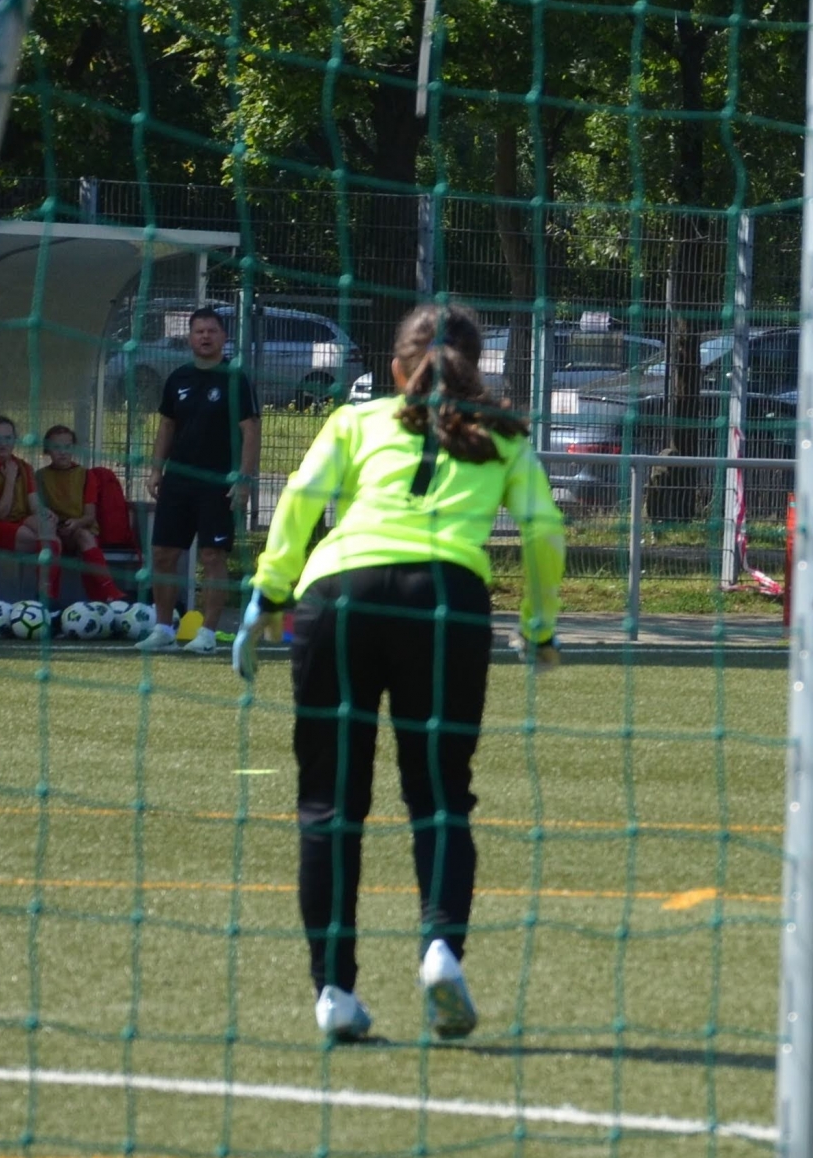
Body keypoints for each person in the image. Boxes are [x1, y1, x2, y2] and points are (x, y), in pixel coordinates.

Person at [233, 303, 565, 1042]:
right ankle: (441, 949)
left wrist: (269, 590)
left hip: (338, 597)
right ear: (476, 368)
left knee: (329, 803)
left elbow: (301, 495)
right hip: (445, 605)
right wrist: (539, 625)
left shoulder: (357, 420)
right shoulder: (504, 434)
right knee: (440, 796)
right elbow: (545, 528)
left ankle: (334, 992)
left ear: (394, 367)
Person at [139, 306, 260, 655]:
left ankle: (207, 634)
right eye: (199, 331)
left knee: (212, 555)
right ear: (190, 338)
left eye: (211, 331)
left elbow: (251, 430)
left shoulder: (236, 379)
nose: (205, 336)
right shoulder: (178, 378)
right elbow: (167, 425)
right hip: (178, 480)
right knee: (163, 554)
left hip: (218, 482)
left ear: (223, 337)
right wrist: (157, 469)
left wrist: (244, 479)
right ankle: (163, 628)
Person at [35, 425, 121, 604]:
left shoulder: (85, 475)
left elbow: (90, 516)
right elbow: (37, 509)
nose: (63, 452)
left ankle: (111, 593)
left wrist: (75, 523)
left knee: (84, 536)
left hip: (79, 528)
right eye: (57, 447)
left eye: (67, 447)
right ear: (47, 450)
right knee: (50, 542)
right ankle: (48, 599)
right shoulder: (40, 476)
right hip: (53, 530)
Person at [0, 416, 44, 563]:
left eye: (7, 438)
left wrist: (45, 514)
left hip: (21, 520)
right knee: (33, 539)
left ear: (15, 439)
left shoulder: (25, 467)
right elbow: (1, 514)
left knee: (48, 530)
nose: (3, 444)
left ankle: (48, 579)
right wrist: (10, 479)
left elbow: (34, 504)